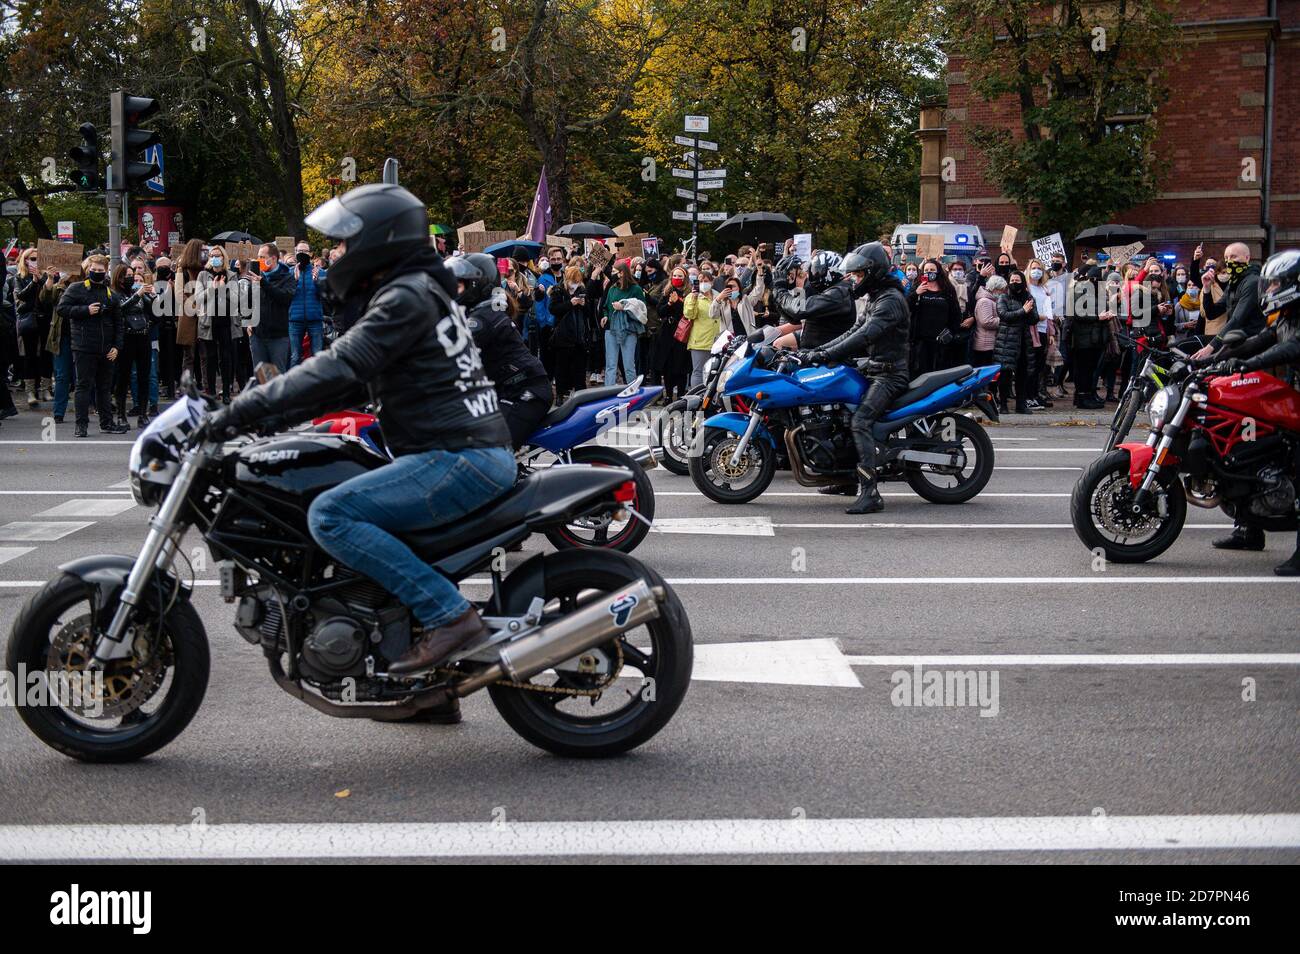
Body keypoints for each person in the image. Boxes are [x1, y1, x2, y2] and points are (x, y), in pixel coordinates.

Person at [209, 183, 516, 689]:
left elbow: (341, 363)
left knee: (330, 514)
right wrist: (272, 414)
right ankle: (426, 690)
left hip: (458, 456)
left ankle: (452, 618)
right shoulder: (420, 288)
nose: (340, 254)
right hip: (464, 451)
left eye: (349, 242)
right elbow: (348, 379)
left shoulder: (405, 296)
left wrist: (241, 411)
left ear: (381, 240)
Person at [1204, 248, 1300, 570]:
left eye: (1275, 286)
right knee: (1253, 444)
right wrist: (1220, 360)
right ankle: (1249, 529)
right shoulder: (1286, 315)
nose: (1270, 291)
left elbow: (1290, 348)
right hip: (1293, 393)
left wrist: (1248, 365)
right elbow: (1263, 338)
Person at [800, 242, 910, 515]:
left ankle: (871, 493)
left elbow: (864, 336)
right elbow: (852, 330)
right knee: (840, 411)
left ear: (873, 272)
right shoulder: (876, 297)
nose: (855, 280)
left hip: (890, 374)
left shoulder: (890, 301)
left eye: (859, 275)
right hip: (874, 367)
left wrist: (821, 356)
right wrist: (816, 352)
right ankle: (846, 479)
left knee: (860, 420)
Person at [449, 252, 554, 447]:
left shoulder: (483, 319)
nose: (454, 290)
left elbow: (449, 350)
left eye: (460, 284)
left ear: (477, 284)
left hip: (525, 393)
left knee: (489, 450)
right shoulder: (482, 311)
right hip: (507, 390)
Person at [57, 254, 127, 437]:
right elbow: (62, 309)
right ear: (88, 269)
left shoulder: (110, 293)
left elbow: (119, 323)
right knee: (83, 386)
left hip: (106, 349)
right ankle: (81, 425)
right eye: (94, 270)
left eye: (100, 270)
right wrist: (85, 310)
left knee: (104, 388)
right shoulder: (76, 288)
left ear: (106, 272)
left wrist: (117, 347)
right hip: (83, 347)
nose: (97, 273)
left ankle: (107, 423)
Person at [1192, 243, 1266, 361]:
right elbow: (1211, 313)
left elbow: (1237, 319)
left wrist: (1210, 347)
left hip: (1250, 342)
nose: (1229, 261)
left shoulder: (1253, 282)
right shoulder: (1234, 282)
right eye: (1226, 258)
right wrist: (1206, 289)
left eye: (1233, 257)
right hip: (1234, 339)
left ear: (1247, 258)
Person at [771, 250, 852, 351]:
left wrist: (780, 291)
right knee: (777, 345)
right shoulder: (808, 288)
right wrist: (778, 296)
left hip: (824, 351)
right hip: (813, 342)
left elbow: (799, 310)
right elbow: (795, 318)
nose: (814, 275)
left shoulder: (838, 293)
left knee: (778, 344)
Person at [110, 263, 155, 428]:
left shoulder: (139, 293)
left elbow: (153, 314)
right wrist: (137, 295)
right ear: (120, 277)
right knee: (123, 377)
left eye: (132, 274)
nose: (131, 278)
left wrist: (152, 297)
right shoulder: (115, 294)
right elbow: (120, 309)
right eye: (127, 275)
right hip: (126, 338)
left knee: (144, 376)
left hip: (142, 338)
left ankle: (143, 414)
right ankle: (121, 415)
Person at [14, 248, 56, 407]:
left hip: (45, 319)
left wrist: (46, 279)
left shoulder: (47, 277)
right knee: (29, 356)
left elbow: (49, 298)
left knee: (46, 354)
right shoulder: (20, 278)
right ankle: (30, 391)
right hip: (29, 320)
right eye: (32, 258)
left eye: (38, 258)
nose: (35, 261)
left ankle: (45, 389)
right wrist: (34, 281)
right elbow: (21, 296)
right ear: (25, 260)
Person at [906, 258, 962, 376]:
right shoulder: (918, 286)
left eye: (932, 269)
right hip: (920, 343)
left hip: (941, 343)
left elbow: (956, 315)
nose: (929, 272)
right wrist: (916, 293)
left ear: (938, 272)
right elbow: (906, 307)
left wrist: (951, 332)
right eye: (926, 270)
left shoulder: (947, 289)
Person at [995, 269, 1038, 414]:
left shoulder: (1029, 297)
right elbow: (1004, 315)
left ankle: (1021, 404)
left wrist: (1029, 311)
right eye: (1012, 281)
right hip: (1007, 341)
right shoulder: (1003, 298)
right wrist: (1023, 311)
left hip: (1024, 341)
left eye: (1017, 281)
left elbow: (1034, 319)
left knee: (1022, 374)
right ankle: (1003, 404)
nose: (1014, 283)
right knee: (1005, 374)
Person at [248, 244, 296, 372]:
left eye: (262, 257)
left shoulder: (287, 277)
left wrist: (263, 283)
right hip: (258, 336)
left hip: (278, 337)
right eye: (258, 257)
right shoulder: (257, 276)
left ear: (274, 258)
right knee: (261, 376)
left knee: (277, 376)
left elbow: (284, 298)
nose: (259, 260)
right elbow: (249, 302)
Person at [548, 265, 590, 402]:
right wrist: (570, 303)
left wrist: (584, 305)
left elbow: (588, 312)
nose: (575, 284)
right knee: (561, 367)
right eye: (573, 281)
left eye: (577, 281)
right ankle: (560, 394)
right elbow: (553, 309)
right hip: (563, 336)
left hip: (579, 336)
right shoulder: (558, 290)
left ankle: (581, 395)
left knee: (579, 369)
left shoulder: (582, 290)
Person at [651, 264, 692, 400]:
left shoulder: (689, 293)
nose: (676, 278)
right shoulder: (667, 291)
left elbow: (687, 313)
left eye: (680, 276)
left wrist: (678, 303)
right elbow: (660, 311)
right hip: (667, 332)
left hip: (682, 332)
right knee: (667, 366)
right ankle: (668, 395)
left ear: (685, 278)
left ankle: (681, 395)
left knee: (680, 366)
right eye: (674, 275)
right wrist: (669, 303)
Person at [602, 260, 645, 385]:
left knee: (629, 365)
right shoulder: (612, 288)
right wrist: (605, 316)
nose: (612, 274)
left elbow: (642, 308)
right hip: (611, 328)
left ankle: (631, 394)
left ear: (621, 273)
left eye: (614, 271)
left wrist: (624, 307)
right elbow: (605, 307)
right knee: (610, 365)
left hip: (628, 329)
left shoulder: (635, 289)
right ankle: (607, 394)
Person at [288, 240, 327, 368]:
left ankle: (318, 386)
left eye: (305, 251)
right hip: (295, 319)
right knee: (295, 356)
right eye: (299, 251)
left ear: (310, 254)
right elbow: (285, 296)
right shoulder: (289, 273)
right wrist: (294, 280)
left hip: (314, 319)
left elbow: (326, 296)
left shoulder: (319, 272)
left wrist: (317, 282)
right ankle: (294, 386)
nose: (302, 253)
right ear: (295, 252)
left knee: (317, 355)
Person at [681, 266, 718, 387]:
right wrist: (694, 298)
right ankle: (696, 398)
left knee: (715, 371)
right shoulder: (691, 297)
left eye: (706, 281)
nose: (703, 284)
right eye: (700, 281)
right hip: (700, 340)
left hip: (717, 340)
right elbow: (689, 315)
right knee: (698, 372)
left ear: (712, 282)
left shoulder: (719, 296)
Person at [971, 273, 1004, 368]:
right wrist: (1004, 319)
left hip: (989, 343)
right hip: (985, 345)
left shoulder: (991, 300)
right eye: (1001, 290)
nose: (1002, 293)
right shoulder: (985, 301)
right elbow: (986, 322)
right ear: (994, 288)